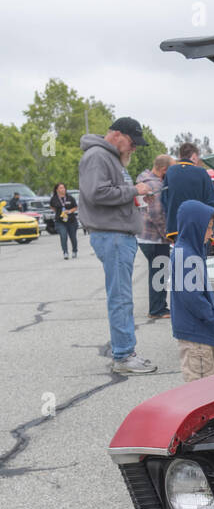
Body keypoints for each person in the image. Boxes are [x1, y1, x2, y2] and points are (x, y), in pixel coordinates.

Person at [78, 117, 156, 375]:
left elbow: (109, 193)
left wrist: (133, 197)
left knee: (122, 297)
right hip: (112, 235)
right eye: (132, 143)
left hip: (118, 234)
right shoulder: (98, 156)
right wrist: (134, 190)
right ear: (118, 135)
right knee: (121, 298)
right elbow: (96, 193)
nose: (133, 148)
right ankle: (123, 356)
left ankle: (125, 351)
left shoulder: (110, 157)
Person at [169, 199, 214, 381]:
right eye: (208, 228)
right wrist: (210, 317)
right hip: (197, 335)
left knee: (208, 385)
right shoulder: (185, 254)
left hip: (201, 333)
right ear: (195, 227)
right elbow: (192, 297)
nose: (211, 233)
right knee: (203, 387)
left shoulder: (190, 251)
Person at [136, 154, 173, 318]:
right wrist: (168, 235)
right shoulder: (155, 185)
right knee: (159, 271)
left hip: (143, 235)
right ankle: (158, 309)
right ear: (164, 169)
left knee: (156, 270)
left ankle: (157, 307)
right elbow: (157, 213)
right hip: (155, 237)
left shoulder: (144, 178)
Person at [162, 142, 214, 240]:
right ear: (194, 156)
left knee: (179, 254)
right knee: (198, 255)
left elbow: (164, 199)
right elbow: (212, 202)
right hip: (198, 229)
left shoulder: (170, 172)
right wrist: (211, 226)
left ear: (180, 156)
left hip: (177, 230)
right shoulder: (202, 173)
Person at [49, 184, 79, 259]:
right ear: (57, 190)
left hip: (71, 221)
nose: (63, 189)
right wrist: (59, 213)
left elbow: (75, 207)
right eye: (60, 188)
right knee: (63, 236)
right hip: (60, 221)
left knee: (73, 237)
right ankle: (65, 252)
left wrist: (69, 211)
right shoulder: (54, 199)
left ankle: (74, 250)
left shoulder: (70, 198)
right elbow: (52, 207)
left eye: (63, 188)